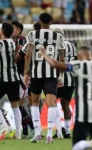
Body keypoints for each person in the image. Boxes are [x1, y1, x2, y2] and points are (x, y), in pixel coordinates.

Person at [21, 12, 65, 143]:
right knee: (51, 104)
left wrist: (25, 73)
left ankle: (38, 133)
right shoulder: (58, 36)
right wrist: (61, 75)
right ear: (51, 21)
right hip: (51, 74)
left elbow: (27, 55)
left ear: (39, 21)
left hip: (36, 74)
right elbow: (62, 57)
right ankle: (50, 134)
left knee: (34, 103)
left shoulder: (32, 34)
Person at [38, 45, 92, 150]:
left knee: (77, 146)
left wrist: (44, 54)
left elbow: (55, 64)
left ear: (79, 56)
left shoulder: (77, 65)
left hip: (82, 114)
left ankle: (87, 144)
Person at [0, 22, 22, 139]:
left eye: (0, 29)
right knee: (16, 107)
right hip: (15, 79)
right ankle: (18, 133)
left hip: (4, 79)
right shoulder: (13, 43)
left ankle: (3, 125)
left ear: (3, 32)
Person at [52, 28, 78, 139]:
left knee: (51, 104)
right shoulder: (71, 46)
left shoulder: (54, 46)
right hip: (71, 79)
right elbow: (76, 61)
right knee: (66, 105)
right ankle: (67, 131)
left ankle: (60, 129)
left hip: (57, 78)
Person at [12, 21, 35, 139]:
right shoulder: (10, 40)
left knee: (18, 104)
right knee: (19, 104)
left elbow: (19, 56)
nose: (12, 30)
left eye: (14, 28)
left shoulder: (21, 40)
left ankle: (33, 127)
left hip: (21, 74)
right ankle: (25, 130)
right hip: (15, 74)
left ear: (19, 30)